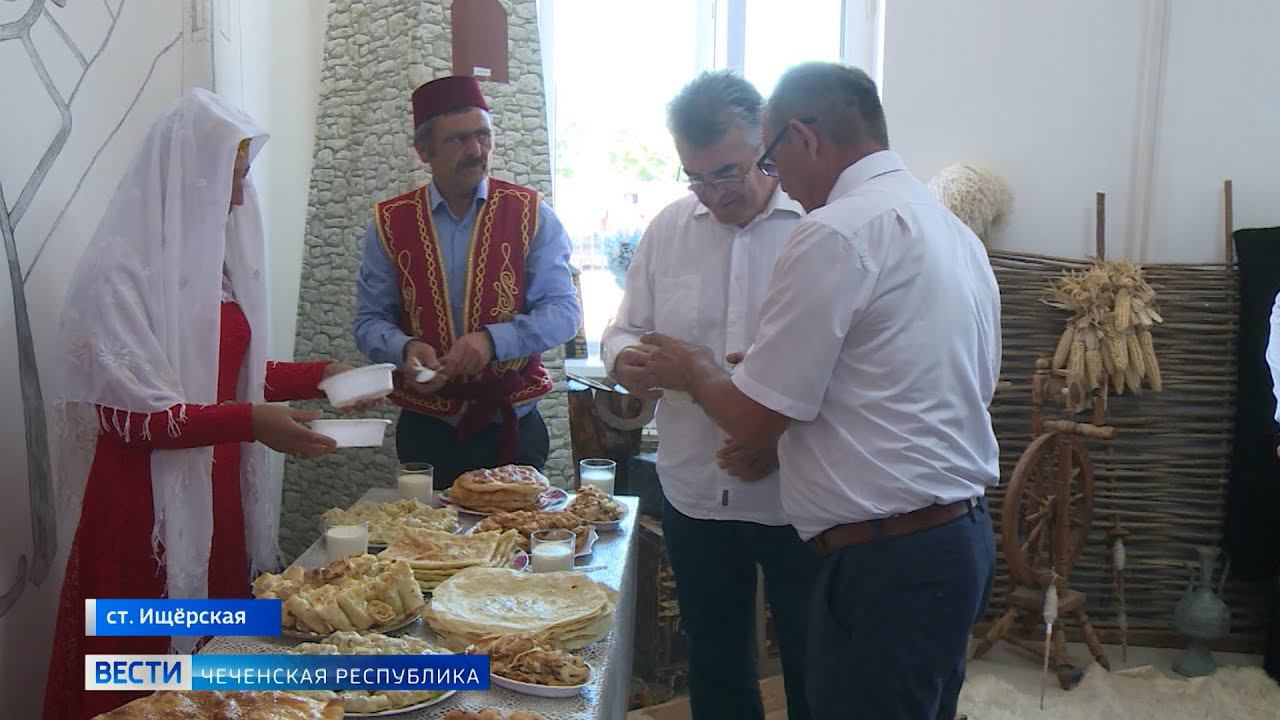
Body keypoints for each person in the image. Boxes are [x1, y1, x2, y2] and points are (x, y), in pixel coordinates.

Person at [642, 63, 1001, 720]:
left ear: (803, 139)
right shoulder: (950, 230)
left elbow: (755, 421)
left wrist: (695, 368)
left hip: (886, 559)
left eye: (769, 160)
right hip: (956, 539)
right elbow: (950, 385)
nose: (775, 178)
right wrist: (780, 377)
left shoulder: (837, 231)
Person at [42, 88, 361, 720]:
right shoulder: (119, 273)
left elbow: (225, 375)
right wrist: (252, 422)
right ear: (189, 176)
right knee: (142, 684)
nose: (240, 196)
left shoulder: (211, 268)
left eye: (244, 177)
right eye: (231, 177)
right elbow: (131, 416)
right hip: (147, 514)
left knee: (213, 681)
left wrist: (321, 375)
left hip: (215, 495)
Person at [601, 70, 818, 720]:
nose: (714, 193)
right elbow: (624, 327)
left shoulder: (815, 227)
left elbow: (842, 370)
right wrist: (624, 359)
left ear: (765, 145)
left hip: (797, 494)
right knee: (715, 667)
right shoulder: (670, 228)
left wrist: (776, 438)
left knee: (814, 665)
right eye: (696, 178)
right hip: (695, 488)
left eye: (728, 172)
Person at [354, 76, 581, 489]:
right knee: (425, 531)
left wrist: (493, 341)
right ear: (423, 150)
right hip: (428, 429)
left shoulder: (531, 214)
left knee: (516, 530)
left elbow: (564, 313)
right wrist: (405, 348)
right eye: (459, 140)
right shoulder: (389, 223)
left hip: (512, 422)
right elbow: (369, 321)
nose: (477, 150)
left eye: (483, 135)